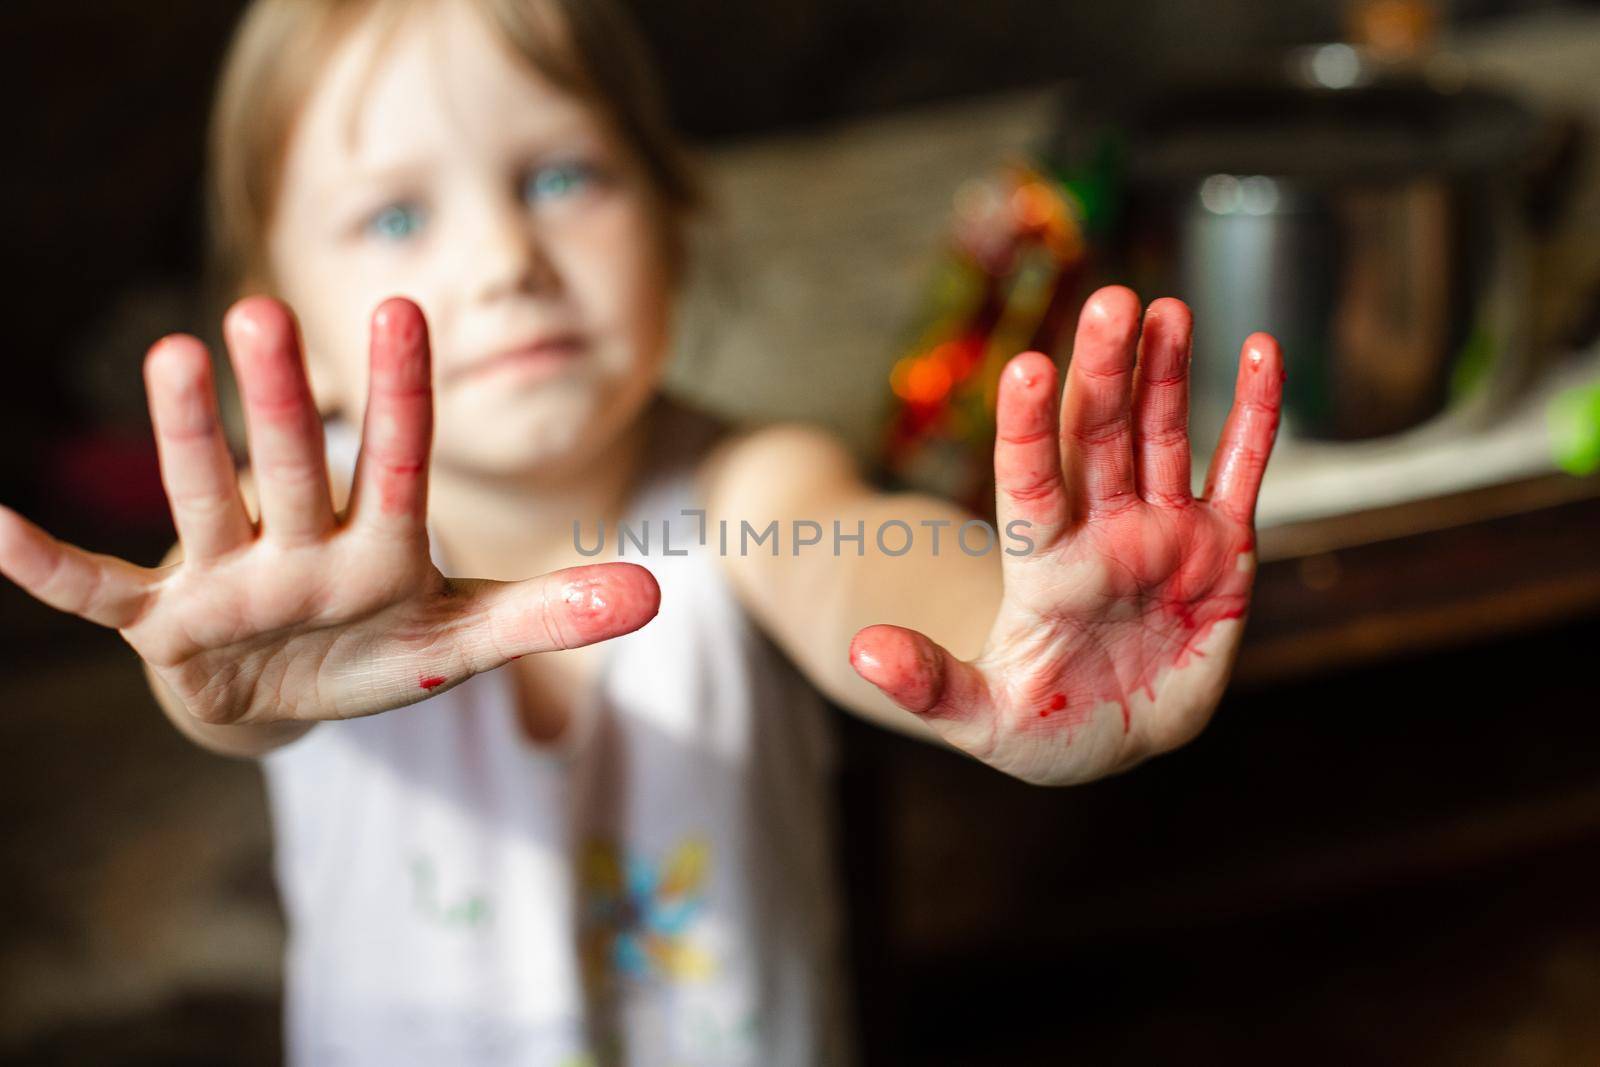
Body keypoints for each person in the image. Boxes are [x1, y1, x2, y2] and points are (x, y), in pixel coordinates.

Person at [0, 0, 1285, 1062]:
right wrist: (210, 674)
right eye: (396, 215)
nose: (508, 256)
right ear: (285, 317)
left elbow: (860, 554)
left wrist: (1010, 639)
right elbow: (231, 657)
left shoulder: (747, 481)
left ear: (674, 226)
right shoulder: (300, 552)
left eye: (562, 175)